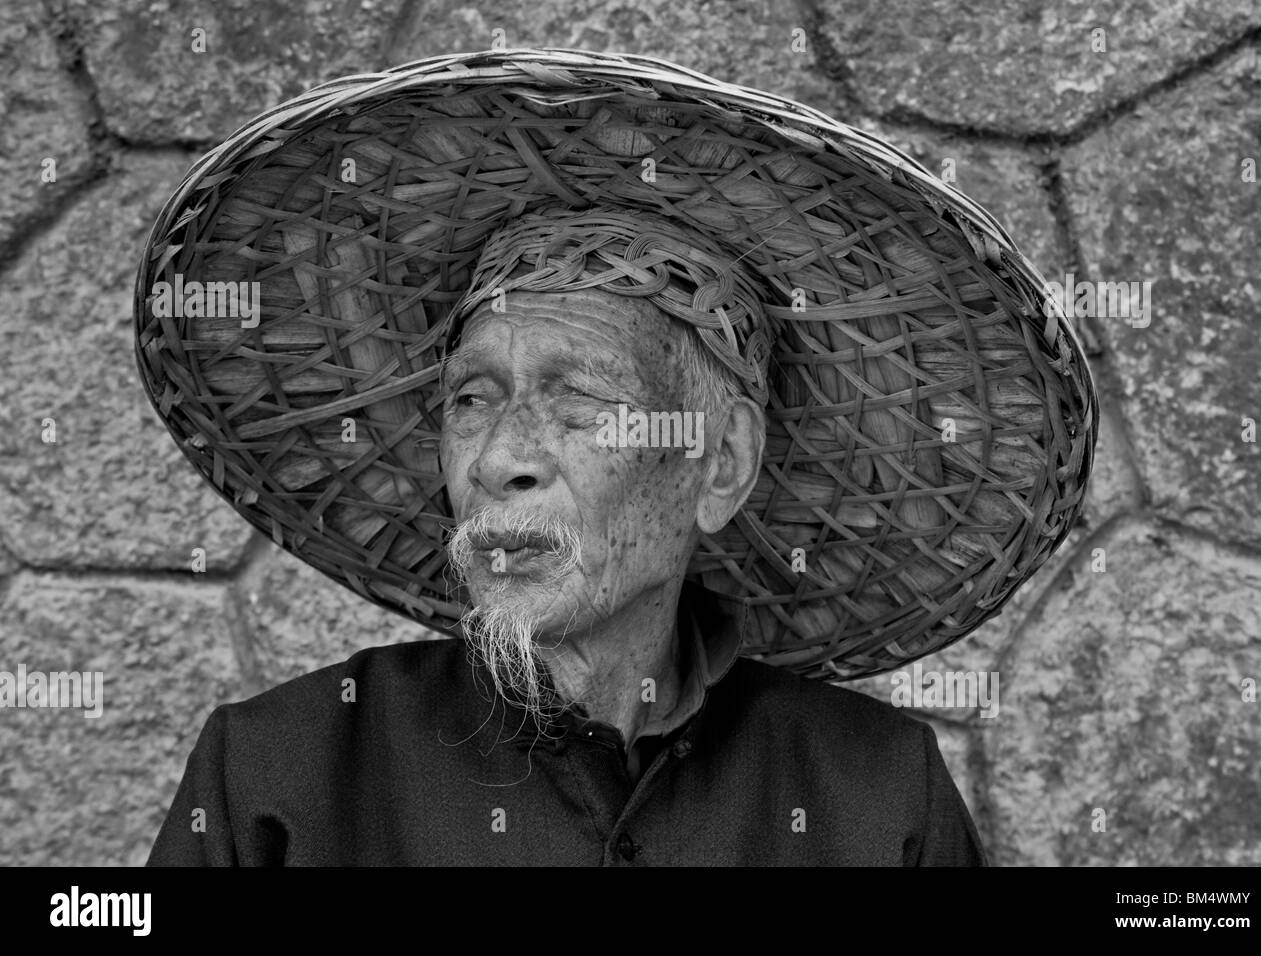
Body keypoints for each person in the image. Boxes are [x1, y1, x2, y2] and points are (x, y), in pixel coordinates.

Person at [136, 49, 1096, 866]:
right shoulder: (277, 779)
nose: (502, 458)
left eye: (578, 401)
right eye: (471, 400)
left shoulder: (876, 801)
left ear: (719, 466)